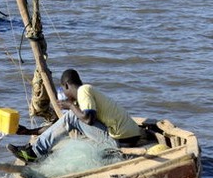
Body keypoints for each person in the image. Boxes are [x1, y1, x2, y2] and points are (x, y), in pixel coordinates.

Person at [8, 68, 142, 163]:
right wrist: (29, 132)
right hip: (129, 137)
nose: (65, 95)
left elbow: (89, 119)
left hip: (121, 141)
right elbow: (61, 126)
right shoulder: (85, 96)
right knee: (72, 119)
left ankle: (34, 153)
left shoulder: (84, 90)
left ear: (66, 85)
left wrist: (71, 106)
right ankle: (37, 150)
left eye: (64, 90)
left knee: (72, 116)